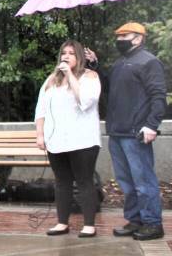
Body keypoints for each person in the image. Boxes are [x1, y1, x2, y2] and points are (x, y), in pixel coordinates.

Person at [105, 23, 167, 240]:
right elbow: (109, 90)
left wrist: (151, 125)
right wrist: (94, 66)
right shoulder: (120, 63)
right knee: (126, 182)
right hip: (117, 132)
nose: (120, 39)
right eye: (118, 35)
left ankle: (152, 223)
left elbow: (158, 96)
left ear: (139, 38)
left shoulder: (149, 62)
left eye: (125, 35)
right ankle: (135, 220)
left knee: (143, 181)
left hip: (136, 133)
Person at [34, 41, 102, 237]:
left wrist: (71, 75)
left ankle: (89, 225)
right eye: (64, 53)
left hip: (83, 140)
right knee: (62, 181)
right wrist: (40, 134)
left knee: (84, 181)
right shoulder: (51, 80)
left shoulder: (90, 77)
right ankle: (62, 222)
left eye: (71, 53)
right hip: (56, 140)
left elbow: (86, 102)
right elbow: (41, 109)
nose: (66, 56)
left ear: (79, 57)